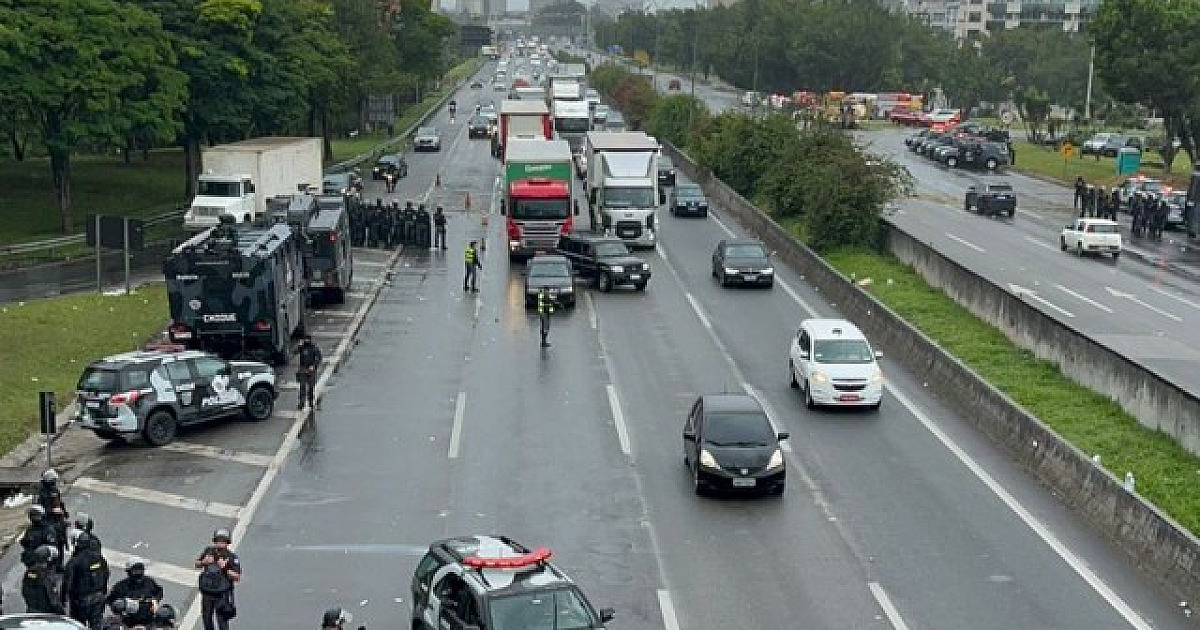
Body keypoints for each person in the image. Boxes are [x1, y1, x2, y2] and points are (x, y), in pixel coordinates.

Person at [196, 529, 242, 630]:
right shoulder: (209, 551)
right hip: (207, 592)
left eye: (223, 541)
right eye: (218, 540)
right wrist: (204, 562)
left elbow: (237, 577)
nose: (220, 543)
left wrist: (225, 568)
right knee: (207, 619)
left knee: (222, 622)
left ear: (227, 543)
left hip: (222, 595)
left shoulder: (231, 557)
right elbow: (197, 564)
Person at [64, 531, 109, 630]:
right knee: (96, 624)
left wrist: (64, 598)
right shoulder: (99, 558)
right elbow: (106, 574)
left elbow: (67, 582)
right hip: (98, 597)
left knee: (79, 625)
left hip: (80, 600)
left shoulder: (74, 561)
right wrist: (103, 591)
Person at [106, 557, 163, 627]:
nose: (138, 573)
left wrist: (155, 601)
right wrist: (119, 611)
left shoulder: (149, 582)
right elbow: (110, 600)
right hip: (129, 623)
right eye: (135, 571)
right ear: (129, 572)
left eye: (140, 571)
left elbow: (159, 591)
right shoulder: (121, 586)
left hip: (148, 621)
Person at [22, 545, 64, 614]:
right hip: (46, 614)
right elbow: (53, 600)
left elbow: (25, 591)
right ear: (48, 559)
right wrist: (62, 613)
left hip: (32, 611)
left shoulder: (29, 572)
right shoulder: (46, 576)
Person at [37, 469, 69, 561]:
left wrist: (64, 512)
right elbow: (40, 509)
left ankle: (60, 561)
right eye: (53, 481)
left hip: (59, 521)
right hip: (49, 521)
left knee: (61, 542)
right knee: (52, 541)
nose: (54, 482)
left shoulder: (55, 490)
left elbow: (59, 502)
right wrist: (52, 511)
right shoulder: (42, 493)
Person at [296, 335, 322, 410]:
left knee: (311, 387)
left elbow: (319, 357)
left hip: (311, 370)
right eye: (305, 340)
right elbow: (295, 352)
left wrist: (314, 365)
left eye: (307, 340)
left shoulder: (314, 348)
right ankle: (301, 403)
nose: (306, 341)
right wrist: (299, 346)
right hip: (303, 369)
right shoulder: (302, 348)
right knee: (302, 386)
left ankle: (310, 401)